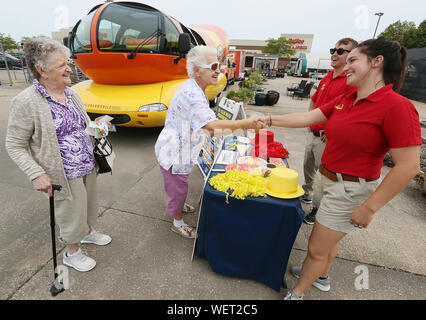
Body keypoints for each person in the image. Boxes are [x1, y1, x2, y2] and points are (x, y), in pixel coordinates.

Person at [261, 38, 421, 300]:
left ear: (377, 62)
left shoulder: (397, 107)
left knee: (315, 248)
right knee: (328, 241)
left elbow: (409, 166)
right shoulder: (349, 97)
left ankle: (298, 292)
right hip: (326, 179)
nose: (345, 65)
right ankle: (321, 275)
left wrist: (369, 207)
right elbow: (307, 118)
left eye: (353, 60)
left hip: (349, 189)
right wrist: (267, 118)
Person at [5, 37, 112, 273]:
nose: (69, 68)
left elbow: (80, 125)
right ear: (42, 70)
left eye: (69, 62)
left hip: (87, 164)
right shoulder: (25, 102)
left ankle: (87, 233)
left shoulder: (71, 94)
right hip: (61, 173)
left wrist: (97, 127)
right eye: (62, 65)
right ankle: (72, 253)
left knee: (88, 205)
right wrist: (36, 174)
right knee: (70, 214)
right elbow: (14, 144)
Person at [155, 45, 265, 238]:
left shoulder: (195, 88)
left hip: (182, 147)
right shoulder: (193, 94)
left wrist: (232, 128)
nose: (218, 70)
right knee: (178, 186)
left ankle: (178, 206)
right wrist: (245, 123)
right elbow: (212, 126)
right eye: (213, 65)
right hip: (176, 151)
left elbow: (207, 128)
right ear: (197, 70)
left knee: (180, 184)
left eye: (219, 65)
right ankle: (177, 222)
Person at [301, 38, 358, 225]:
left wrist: (332, 130)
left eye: (341, 51)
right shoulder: (326, 77)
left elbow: (351, 110)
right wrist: (310, 121)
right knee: (308, 168)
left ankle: (317, 210)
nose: (334, 53)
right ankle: (307, 196)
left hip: (327, 140)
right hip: (313, 134)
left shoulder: (351, 81)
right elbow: (314, 100)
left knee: (322, 177)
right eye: (333, 49)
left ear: (352, 55)